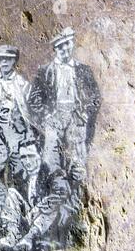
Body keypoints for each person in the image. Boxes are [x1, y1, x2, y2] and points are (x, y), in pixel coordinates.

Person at [28, 27, 101, 176]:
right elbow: (34, 98)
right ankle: (55, 186)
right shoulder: (45, 71)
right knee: (50, 155)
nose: (64, 49)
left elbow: (95, 97)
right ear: (55, 48)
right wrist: (46, 116)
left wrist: (86, 114)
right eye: (60, 46)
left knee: (78, 158)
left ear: (72, 44)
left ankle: (78, 190)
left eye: (67, 44)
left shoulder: (83, 70)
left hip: (76, 116)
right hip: (55, 117)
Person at [0, 45, 35, 178]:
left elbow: (30, 108)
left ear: (14, 61)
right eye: (1, 59)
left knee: (18, 163)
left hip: (15, 127)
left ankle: (19, 192)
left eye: (8, 59)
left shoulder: (21, 83)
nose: (4, 63)